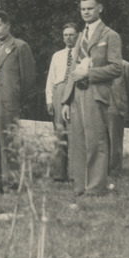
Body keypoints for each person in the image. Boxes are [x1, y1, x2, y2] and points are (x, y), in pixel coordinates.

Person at [62, 0, 122, 197]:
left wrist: (90, 73)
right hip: (77, 94)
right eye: (83, 9)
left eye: (90, 8)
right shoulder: (80, 36)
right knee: (78, 142)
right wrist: (65, 100)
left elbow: (116, 68)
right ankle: (80, 186)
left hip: (96, 93)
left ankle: (96, 187)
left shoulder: (110, 35)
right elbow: (74, 69)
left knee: (96, 141)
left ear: (100, 9)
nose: (86, 12)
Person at [0, 11, 36, 194]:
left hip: (7, 98)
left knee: (8, 142)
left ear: (8, 25)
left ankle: (12, 185)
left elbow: (29, 77)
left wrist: (15, 96)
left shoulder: (19, 46)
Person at [45, 23, 78, 182]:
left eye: (71, 34)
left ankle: (74, 173)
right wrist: (49, 99)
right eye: (66, 35)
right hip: (59, 90)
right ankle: (59, 173)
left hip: (76, 91)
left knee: (74, 131)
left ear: (77, 35)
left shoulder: (81, 54)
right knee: (59, 132)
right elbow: (51, 78)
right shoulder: (57, 55)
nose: (68, 38)